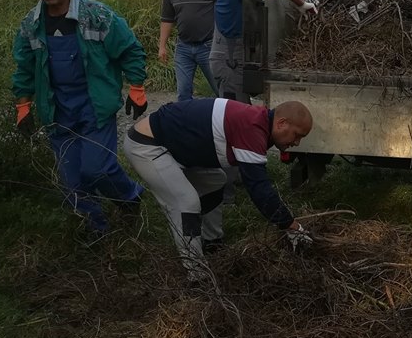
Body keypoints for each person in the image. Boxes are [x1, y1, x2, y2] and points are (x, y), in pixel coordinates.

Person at [12, 0, 149, 235]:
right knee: (72, 181)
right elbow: (24, 68)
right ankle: (95, 232)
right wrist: (23, 105)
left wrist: (137, 87)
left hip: (94, 106)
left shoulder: (97, 16)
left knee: (97, 169)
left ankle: (129, 198)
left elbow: (130, 51)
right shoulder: (31, 24)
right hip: (57, 109)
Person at [122, 98, 314, 279]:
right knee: (186, 203)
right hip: (147, 146)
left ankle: (212, 242)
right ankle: (197, 273)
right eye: (297, 135)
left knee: (215, 180)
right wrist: (290, 225)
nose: (296, 142)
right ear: (281, 123)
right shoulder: (252, 128)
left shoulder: (259, 123)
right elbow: (259, 188)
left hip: (173, 146)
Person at [210, 0, 318, 103]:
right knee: (235, 109)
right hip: (228, 59)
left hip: (241, 54)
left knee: (245, 108)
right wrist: (302, 4)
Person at [158, 0, 220, 101]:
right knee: (183, 93)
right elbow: (167, 20)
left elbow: (224, 11)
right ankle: (186, 116)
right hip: (183, 48)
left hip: (208, 46)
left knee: (220, 89)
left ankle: (230, 114)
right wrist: (162, 46)